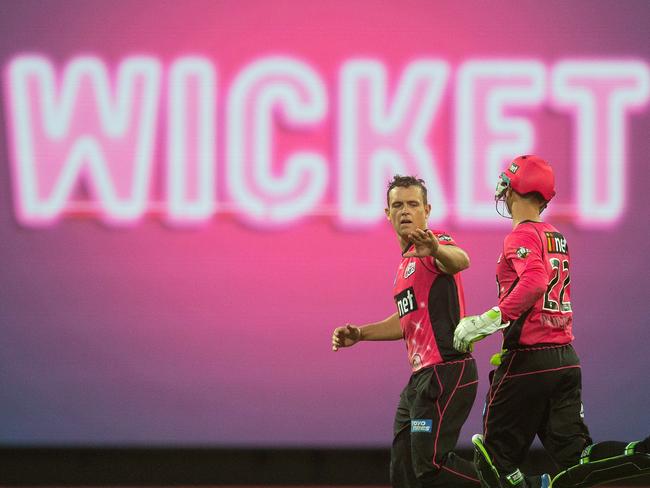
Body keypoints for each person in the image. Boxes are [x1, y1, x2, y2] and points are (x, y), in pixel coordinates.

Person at [453, 155, 650, 488]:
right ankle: (641, 453)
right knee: (578, 458)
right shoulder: (554, 235)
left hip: (528, 362)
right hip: (564, 362)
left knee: (494, 465)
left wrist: (488, 321)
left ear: (512, 188)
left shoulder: (520, 236)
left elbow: (535, 281)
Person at [331, 175, 480, 487]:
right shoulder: (403, 268)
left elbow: (461, 261)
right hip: (420, 380)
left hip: (447, 371)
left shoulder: (433, 245)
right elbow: (405, 322)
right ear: (387, 214)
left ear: (427, 210)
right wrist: (360, 333)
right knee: (403, 468)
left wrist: (436, 248)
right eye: (397, 205)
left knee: (429, 465)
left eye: (413, 204)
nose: (405, 211)